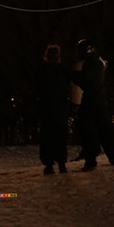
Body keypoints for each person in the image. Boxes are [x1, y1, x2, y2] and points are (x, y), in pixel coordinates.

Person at [71, 39, 114, 172]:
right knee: (105, 131)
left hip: (89, 104)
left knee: (89, 133)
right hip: (101, 103)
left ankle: (91, 160)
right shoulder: (100, 64)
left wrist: (70, 74)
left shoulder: (87, 65)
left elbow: (83, 81)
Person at [37, 43, 71, 175]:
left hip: (47, 110)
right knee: (60, 138)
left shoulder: (42, 70)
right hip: (60, 109)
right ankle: (61, 163)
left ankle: (49, 164)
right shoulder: (63, 69)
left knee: (47, 138)